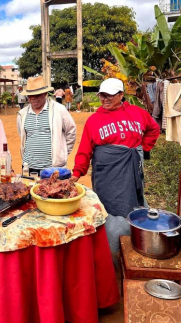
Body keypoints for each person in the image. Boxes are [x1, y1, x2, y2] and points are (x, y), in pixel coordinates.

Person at [71, 78, 160, 253]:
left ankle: (132, 241)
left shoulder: (138, 113)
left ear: (121, 95)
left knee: (133, 202)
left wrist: (142, 149)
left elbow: (153, 129)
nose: (105, 99)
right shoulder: (94, 120)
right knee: (108, 207)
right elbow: (85, 150)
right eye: (102, 95)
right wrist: (77, 173)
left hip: (130, 170)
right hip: (107, 173)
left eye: (109, 95)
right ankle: (110, 248)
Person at [17, 76, 76, 175]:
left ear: (45, 93)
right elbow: (22, 136)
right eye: (30, 95)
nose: (34, 98)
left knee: (53, 190)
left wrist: (62, 153)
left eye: (37, 94)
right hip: (28, 167)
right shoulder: (22, 114)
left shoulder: (59, 109)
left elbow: (71, 132)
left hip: (53, 169)